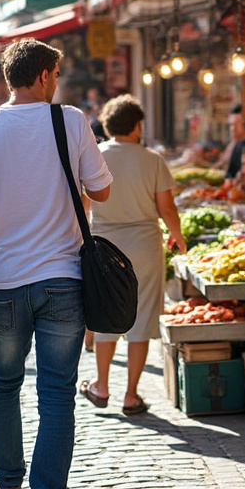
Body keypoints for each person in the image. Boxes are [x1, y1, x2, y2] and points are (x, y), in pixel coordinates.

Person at [0, 38, 112, 489]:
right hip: (63, 276)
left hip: (2, 280)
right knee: (58, 393)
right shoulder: (71, 120)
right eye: (56, 74)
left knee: (3, 382)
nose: (57, 82)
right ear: (43, 75)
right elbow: (101, 190)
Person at [82, 95, 184, 416]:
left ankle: (101, 386)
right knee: (141, 319)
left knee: (106, 314)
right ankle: (131, 395)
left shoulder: (94, 155)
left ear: (108, 126)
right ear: (138, 126)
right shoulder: (152, 159)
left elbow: (83, 205)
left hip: (104, 247)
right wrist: (177, 236)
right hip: (145, 245)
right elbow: (166, 208)